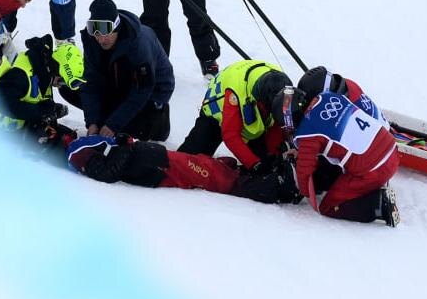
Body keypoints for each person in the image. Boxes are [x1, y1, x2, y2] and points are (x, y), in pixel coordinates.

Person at [273, 83, 400, 226]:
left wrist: (302, 192)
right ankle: (372, 188)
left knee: (328, 206)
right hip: (391, 149)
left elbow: (304, 171)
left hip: (375, 169)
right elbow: (327, 132)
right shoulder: (326, 96)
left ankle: (379, 204)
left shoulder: (307, 133)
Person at [66, 134, 298, 204]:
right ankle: (280, 183)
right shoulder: (79, 154)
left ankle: (273, 174)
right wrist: (125, 144)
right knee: (218, 180)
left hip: (160, 160)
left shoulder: (83, 149)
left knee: (212, 167)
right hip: (161, 167)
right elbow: (108, 174)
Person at [74, 0, 174, 142]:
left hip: (151, 90)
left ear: (117, 27)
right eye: (96, 33)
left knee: (134, 133)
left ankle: (158, 117)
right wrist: (93, 122)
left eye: (106, 33)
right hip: (117, 84)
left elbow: (143, 88)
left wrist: (113, 125)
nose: (101, 40)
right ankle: (108, 117)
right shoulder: (92, 41)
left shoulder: (139, 43)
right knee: (70, 89)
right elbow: (90, 83)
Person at [178, 59, 291, 172]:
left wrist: (274, 155)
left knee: (268, 163)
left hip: (252, 121)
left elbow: (276, 125)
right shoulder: (236, 92)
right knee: (187, 162)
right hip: (216, 115)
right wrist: (254, 163)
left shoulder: (283, 87)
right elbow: (230, 135)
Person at [0, 34, 86, 152]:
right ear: (57, 71)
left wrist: (52, 110)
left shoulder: (43, 71)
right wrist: (42, 111)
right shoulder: (22, 74)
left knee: (66, 138)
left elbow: (36, 101)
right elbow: (3, 102)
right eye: (62, 82)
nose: (60, 85)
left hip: (18, 125)